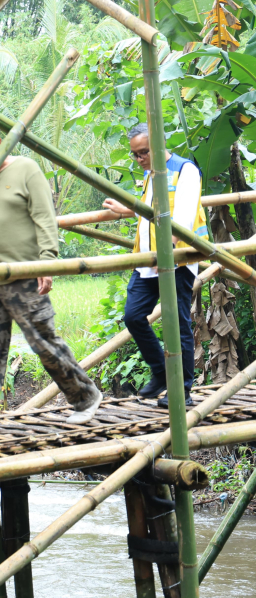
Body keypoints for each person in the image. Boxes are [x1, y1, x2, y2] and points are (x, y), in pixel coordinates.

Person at [0, 122, 102, 435]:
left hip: (23, 275)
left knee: (42, 341)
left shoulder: (26, 169)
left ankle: (85, 397)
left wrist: (47, 263)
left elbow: (45, 218)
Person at [102, 123, 205, 407]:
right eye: (135, 154)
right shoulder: (151, 172)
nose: (139, 159)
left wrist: (167, 252)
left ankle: (182, 390)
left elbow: (182, 216)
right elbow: (154, 210)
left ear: (159, 144)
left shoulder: (185, 170)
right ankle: (161, 372)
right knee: (133, 316)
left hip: (176, 260)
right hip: (147, 260)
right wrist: (129, 210)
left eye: (144, 152)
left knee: (178, 323)